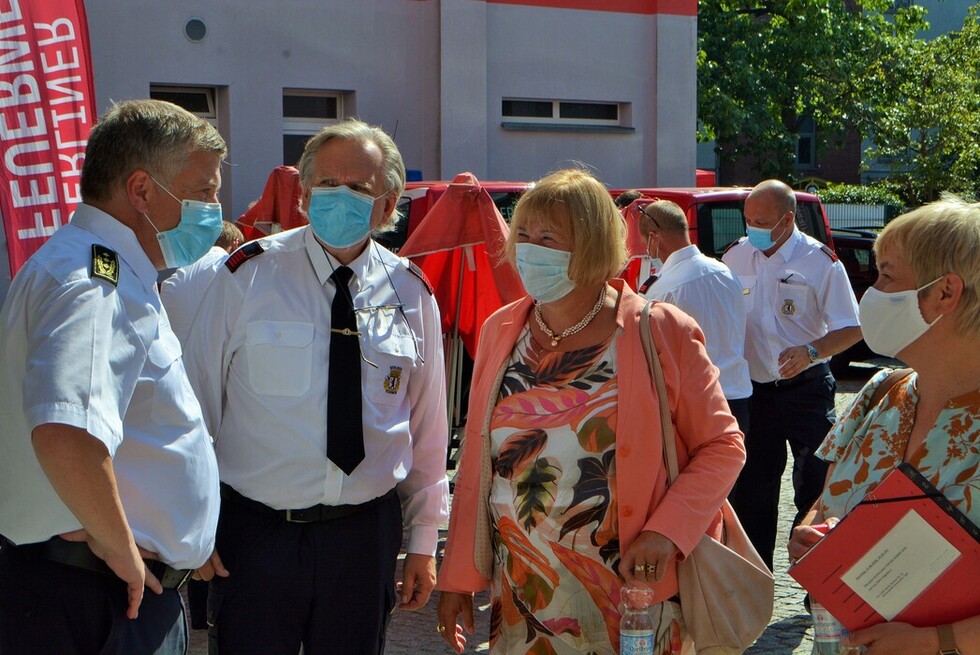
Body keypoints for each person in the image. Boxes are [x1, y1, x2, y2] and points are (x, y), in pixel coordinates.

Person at [435, 169, 745, 655]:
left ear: (592, 246)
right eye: (525, 236)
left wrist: (667, 533)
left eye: (549, 238)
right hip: (522, 590)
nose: (530, 249)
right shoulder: (501, 329)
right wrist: (458, 575)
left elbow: (723, 446)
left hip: (633, 590)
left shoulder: (660, 329)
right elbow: (478, 463)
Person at [182, 118, 450, 655]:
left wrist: (423, 541)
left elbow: (427, 432)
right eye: (327, 184)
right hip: (256, 536)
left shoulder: (411, 291)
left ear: (389, 201)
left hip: (364, 538)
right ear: (303, 194)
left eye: (358, 187)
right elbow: (195, 413)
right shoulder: (246, 276)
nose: (339, 198)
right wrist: (196, 523)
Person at [0, 99, 223, 653]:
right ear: (142, 190)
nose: (216, 209)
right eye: (203, 192)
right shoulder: (96, 279)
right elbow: (65, 427)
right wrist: (122, 544)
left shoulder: (97, 266)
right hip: (99, 598)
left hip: (93, 590)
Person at [788, 196, 980, 655]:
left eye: (887, 275)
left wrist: (938, 641)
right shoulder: (880, 391)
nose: (871, 292)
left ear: (945, 294)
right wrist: (810, 535)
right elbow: (826, 503)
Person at [722, 179, 861, 571]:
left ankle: (816, 581)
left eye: (761, 221)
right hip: (755, 394)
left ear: (787, 219)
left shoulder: (819, 262)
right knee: (753, 490)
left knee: (815, 484)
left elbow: (852, 327)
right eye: (748, 219)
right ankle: (757, 580)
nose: (752, 228)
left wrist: (812, 351)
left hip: (806, 391)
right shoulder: (735, 257)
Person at [638, 199, 752, 432]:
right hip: (737, 397)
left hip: (696, 403)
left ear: (654, 237)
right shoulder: (725, 271)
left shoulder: (662, 287)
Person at [160, 220, 244, 343]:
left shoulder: (181, 272)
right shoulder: (228, 267)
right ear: (236, 243)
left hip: (174, 353)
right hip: (211, 355)